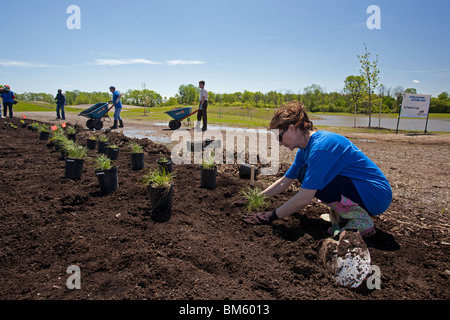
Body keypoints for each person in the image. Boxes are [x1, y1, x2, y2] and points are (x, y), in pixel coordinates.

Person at [243, 101, 392, 238]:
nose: (280, 144)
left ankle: (360, 219)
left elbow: (305, 197)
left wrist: (270, 216)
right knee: (303, 173)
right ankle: (347, 213)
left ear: (292, 128)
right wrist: (257, 197)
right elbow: (284, 182)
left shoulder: (322, 147)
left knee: (308, 176)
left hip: (375, 195)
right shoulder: (304, 150)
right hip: (362, 191)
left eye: (279, 137)